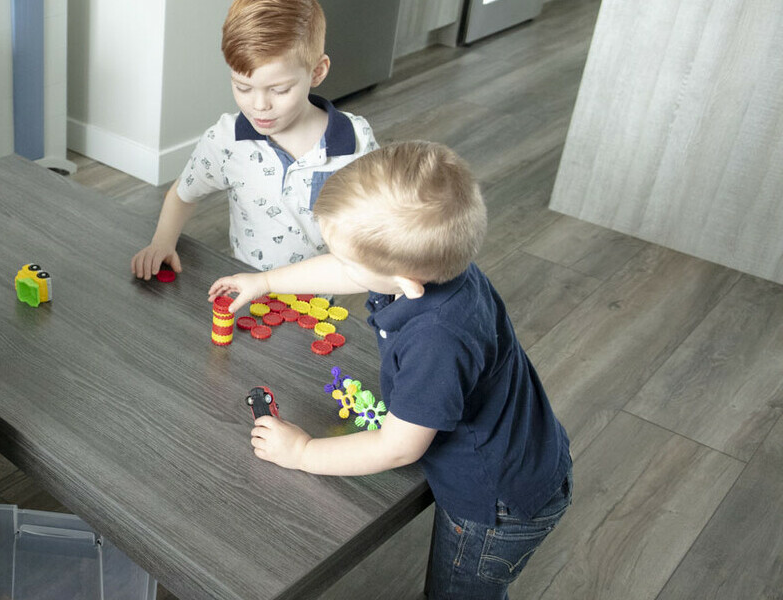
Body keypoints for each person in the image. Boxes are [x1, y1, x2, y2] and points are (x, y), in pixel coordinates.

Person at [208, 141, 572, 599]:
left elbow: (397, 448)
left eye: (346, 258)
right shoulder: (438, 270)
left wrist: (301, 451)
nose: (341, 265)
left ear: (405, 284)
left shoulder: (437, 340)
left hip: (494, 504)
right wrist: (264, 282)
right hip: (528, 450)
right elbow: (353, 273)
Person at [131, 0, 378, 280]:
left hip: (319, 303)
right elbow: (182, 194)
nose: (259, 105)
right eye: (243, 87)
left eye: (280, 90)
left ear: (317, 72)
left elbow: (384, 219)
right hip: (247, 290)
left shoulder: (355, 141)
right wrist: (162, 242)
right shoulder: (226, 140)